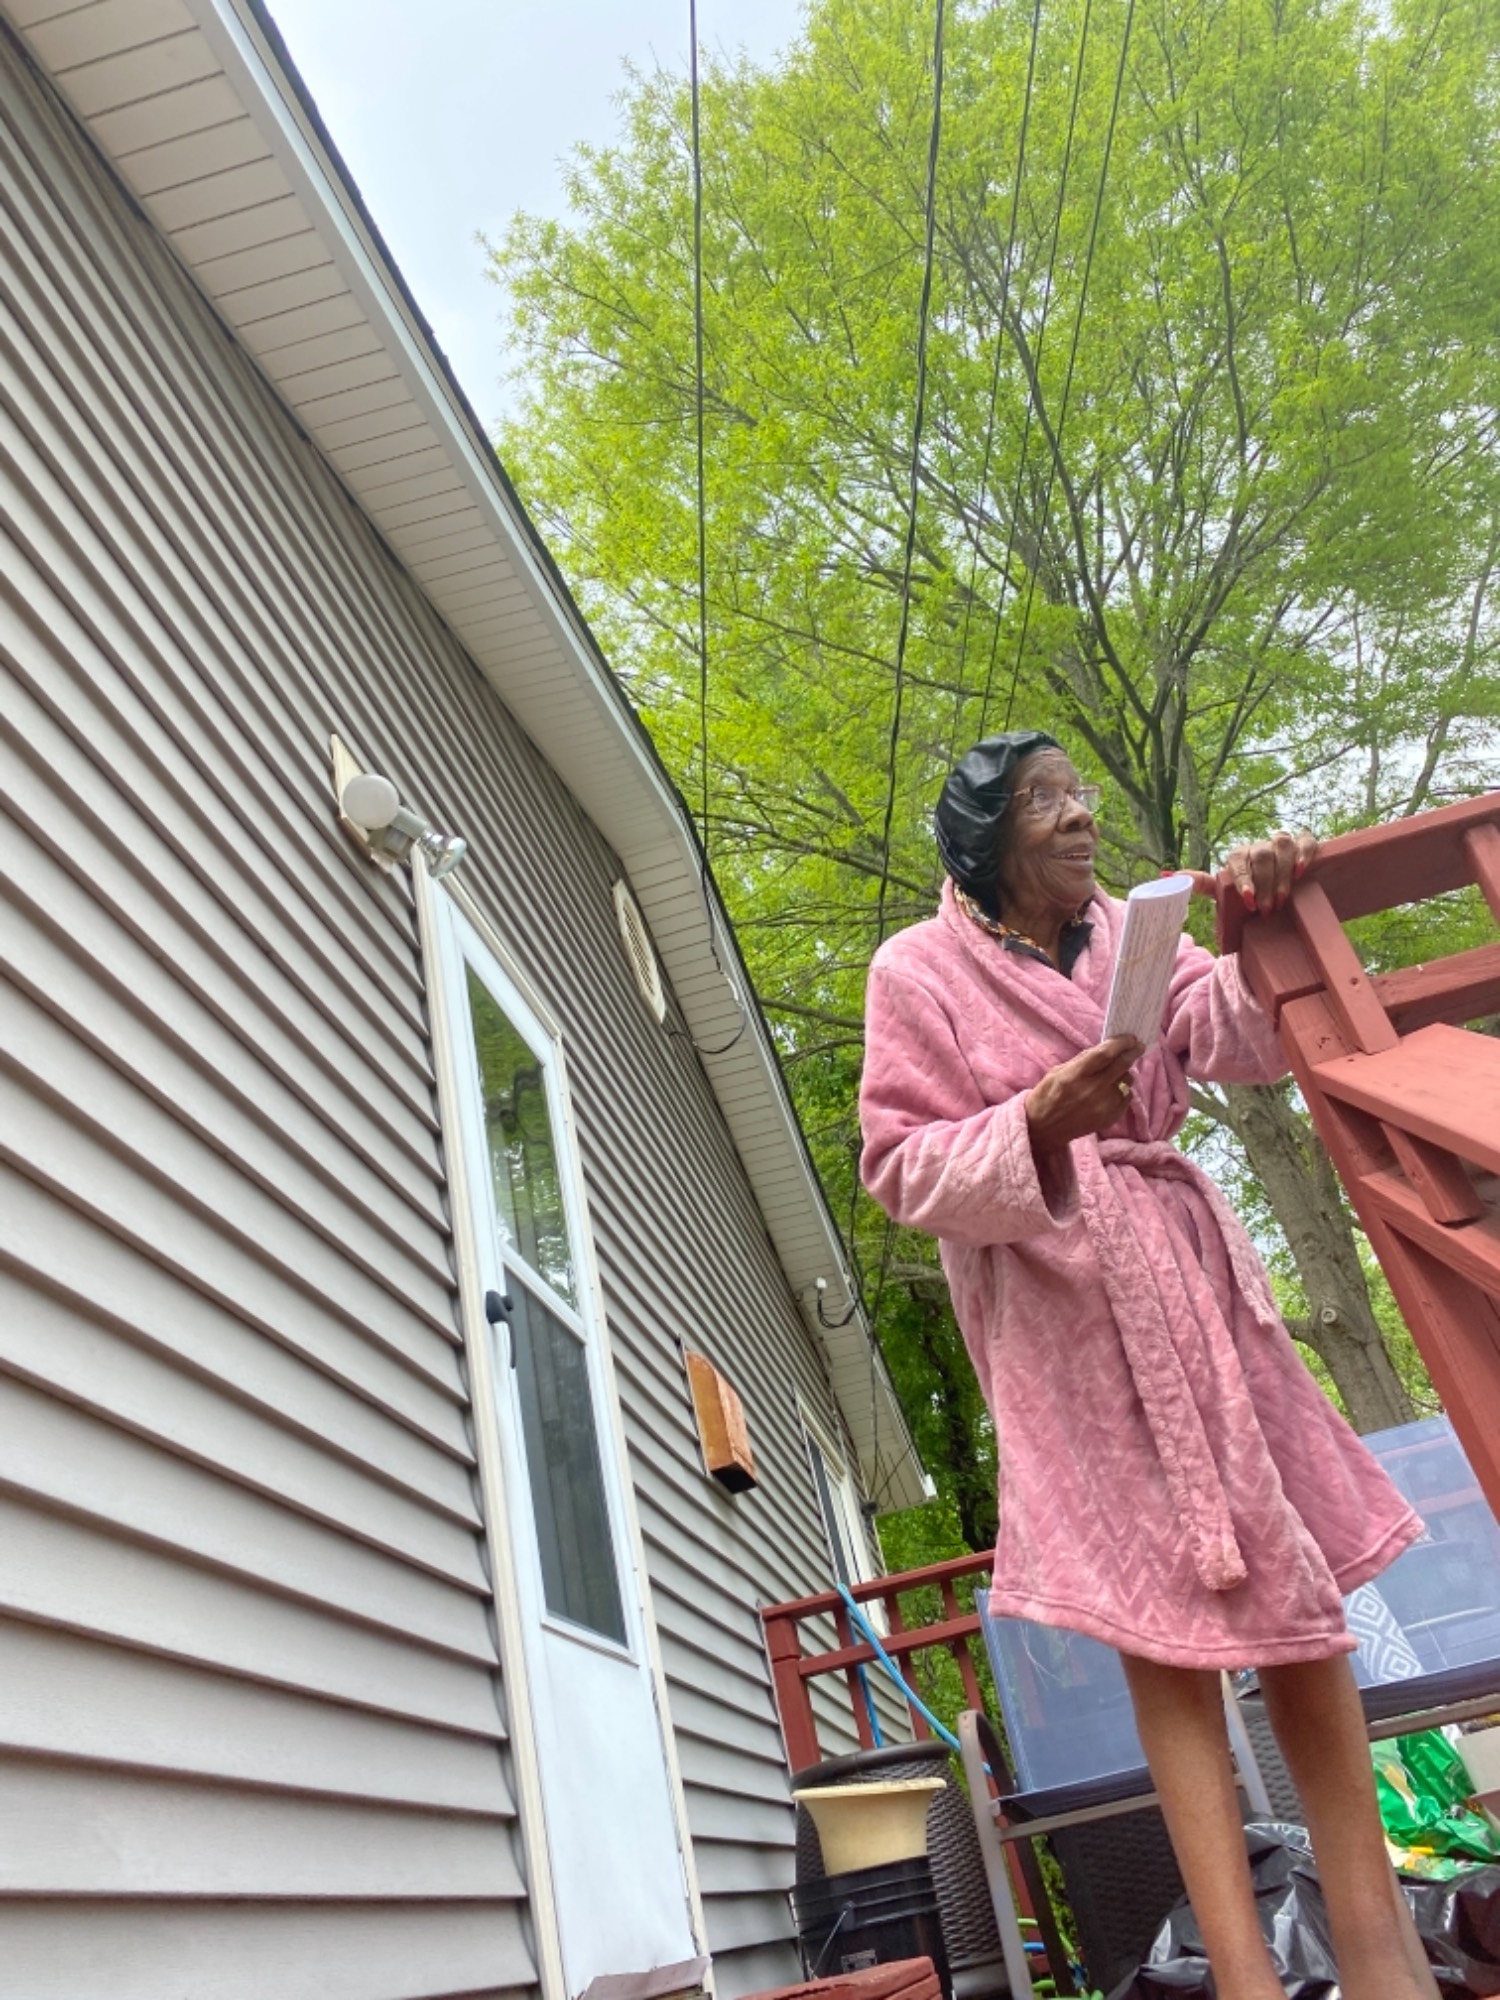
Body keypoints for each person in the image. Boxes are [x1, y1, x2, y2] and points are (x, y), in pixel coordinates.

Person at [859, 730, 1439, 2000]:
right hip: (1062, 1326)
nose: (1080, 816)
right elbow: (899, 1163)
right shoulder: (916, 970)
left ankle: (1377, 1950)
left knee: (1295, 1597)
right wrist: (1033, 1121)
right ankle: (1243, 1975)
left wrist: (1260, 926)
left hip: (1192, 1287)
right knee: (1157, 1635)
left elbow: (1235, 1033)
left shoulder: (1135, 928)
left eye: (1080, 793)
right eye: (1046, 800)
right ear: (985, 838)